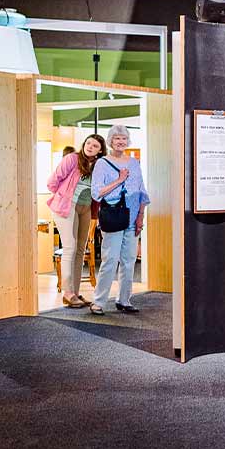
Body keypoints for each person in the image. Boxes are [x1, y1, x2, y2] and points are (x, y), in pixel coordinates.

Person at [90, 126, 150, 314]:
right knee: (110, 260)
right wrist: (119, 179)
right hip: (114, 217)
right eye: (117, 138)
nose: (121, 142)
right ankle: (98, 302)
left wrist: (141, 215)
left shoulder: (134, 162)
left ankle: (124, 300)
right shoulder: (102, 163)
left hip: (132, 219)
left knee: (129, 260)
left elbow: (141, 191)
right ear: (110, 141)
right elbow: (96, 193)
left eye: (124, 138)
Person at [47, 133, 106, 308]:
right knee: (70, 247)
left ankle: (76, 293)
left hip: (86, 208)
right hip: (67, 206)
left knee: (81, 249)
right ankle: (67, 292)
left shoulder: (98, 166)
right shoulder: (72, 159)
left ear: (100, 150)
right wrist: (63, 196)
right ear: (84, 144)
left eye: (95, 146)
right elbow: (52, 182)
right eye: (88, 143)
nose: (90, 147)